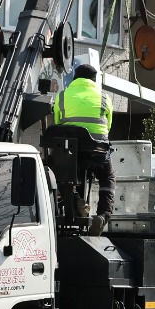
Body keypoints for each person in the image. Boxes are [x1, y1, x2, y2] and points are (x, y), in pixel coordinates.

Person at [54, 63, 113, 233]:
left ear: (75, 79)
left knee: (67, 174)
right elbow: (108, 126)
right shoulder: (104, 98)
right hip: (97, 152)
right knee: (107, 176)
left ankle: (75, 200)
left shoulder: (63, 96)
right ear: (94, 80)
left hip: (70, 153)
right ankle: (102, 216)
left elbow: (57, 123)